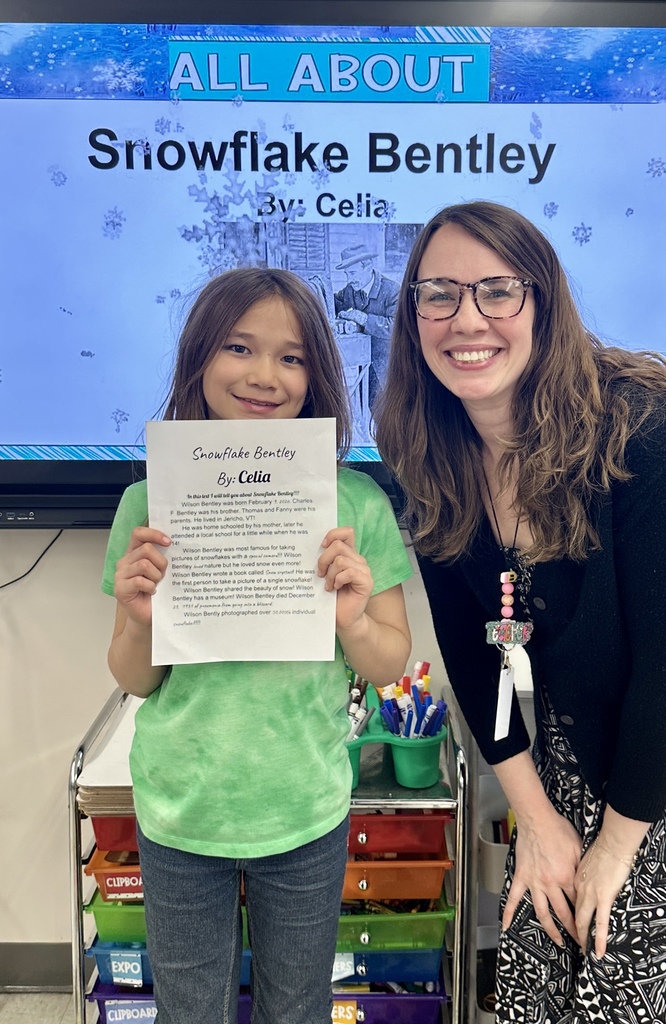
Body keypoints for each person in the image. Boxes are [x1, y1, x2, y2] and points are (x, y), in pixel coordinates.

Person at [374, 200, 666, 1023]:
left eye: (497, 291)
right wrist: (537, 818)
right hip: (586, 699)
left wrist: (615, 850)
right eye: (438, 293)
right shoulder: (430, 450)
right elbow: (474, 655)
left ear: (544, 305)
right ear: (412, 316)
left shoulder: (642, 435)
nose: (465, 318)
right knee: (542, 917)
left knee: (629, 941)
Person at [102, 267, 413, 1024]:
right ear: (200, 359)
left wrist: (354, 622)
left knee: (297, 1008)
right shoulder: (148, 504)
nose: (264, 375)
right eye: (240, 347)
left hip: (303, 803)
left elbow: (389, 663)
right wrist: (140, 614)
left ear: (318, 379)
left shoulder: (356, 505)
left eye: (293, 357)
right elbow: (134, 678)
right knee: (190, 1009)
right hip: (182, 804)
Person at [334, 242, 399, 404]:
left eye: (353, 273)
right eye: (347, 274)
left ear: (368, 266)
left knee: (388, 415)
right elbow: (334, 303)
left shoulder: (392, 291)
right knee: (368, 409)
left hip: (389, 368)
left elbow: (397, 328)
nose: (349, 279)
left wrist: (363, 319)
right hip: (364, 367)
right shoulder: (351, 290)